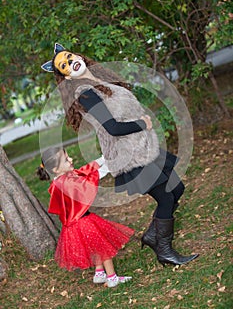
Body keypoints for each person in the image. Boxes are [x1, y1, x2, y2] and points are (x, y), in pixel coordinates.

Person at [41, 43, 199, 266]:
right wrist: (142, 123)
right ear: (66, 77)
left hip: (142, 146)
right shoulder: (85, 93)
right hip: (128, 155)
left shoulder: (98, 80)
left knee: (177, 188)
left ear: (78, 55)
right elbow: (113, 128)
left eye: (69, 56)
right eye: (64, 65)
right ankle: (165, 251)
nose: (70, 62)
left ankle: (153, 236)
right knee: (165, 198)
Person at [37, 146, 134, 288]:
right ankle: (112, 277)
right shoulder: (67, 183)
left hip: (73, 224)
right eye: (66, 160)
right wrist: (106, 167)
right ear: (56, 170)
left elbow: (83, 171)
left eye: (68, 156)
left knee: (95, 246)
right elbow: (86, 182)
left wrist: (101, 160)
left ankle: (99, 273)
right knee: (102, 247)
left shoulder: (60, 180)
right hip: (82, 221)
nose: (70, 160)